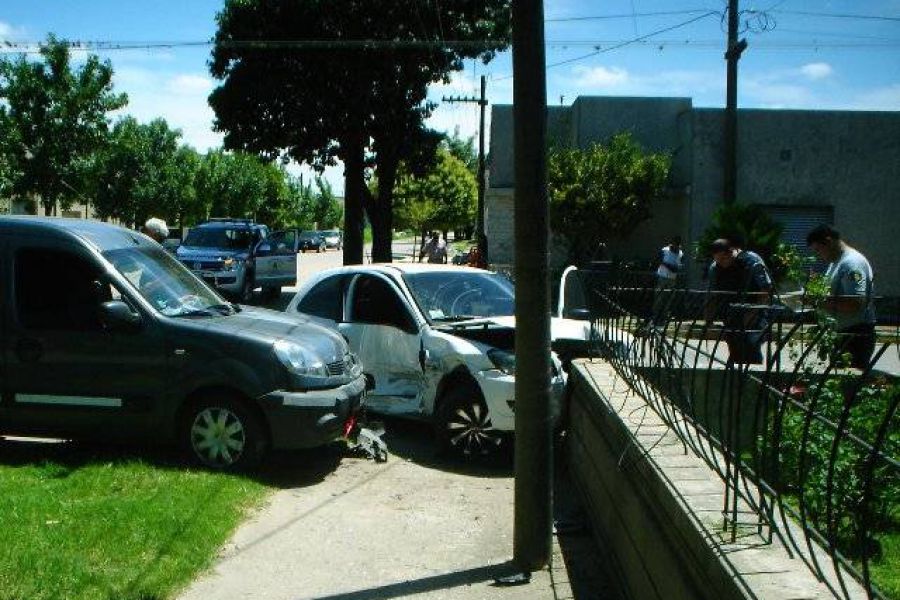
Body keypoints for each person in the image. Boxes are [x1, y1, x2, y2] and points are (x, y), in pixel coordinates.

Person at [806, 224, 876, 369]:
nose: (819, 255)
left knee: (849, 384)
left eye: (819, 250)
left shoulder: (851, 263)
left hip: (854, 335)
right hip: (841, 333)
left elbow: (855, 303)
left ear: (829, 241)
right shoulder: (836, 262)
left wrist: (818, 300)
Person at [703, 236, 774, 365]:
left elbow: (765, 290)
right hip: (730, 316)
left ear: (731, 252)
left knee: (750, 349)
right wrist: (709, 321)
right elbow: (712, 295)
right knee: (735, 351)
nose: (722, 264)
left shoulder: (751, 261)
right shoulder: (715, 268)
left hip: (755, 315)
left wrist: (752, 314)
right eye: (718, 260)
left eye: (724, 259)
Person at [651, 236, 683, 325]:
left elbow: (675, 269)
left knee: (668, 300)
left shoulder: (680, 253)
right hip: (662, 277)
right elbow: (657, 260)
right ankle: (655, 317)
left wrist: (664, 263)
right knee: (659, 299)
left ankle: (663, 318)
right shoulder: (664, 250)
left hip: (672, 279)